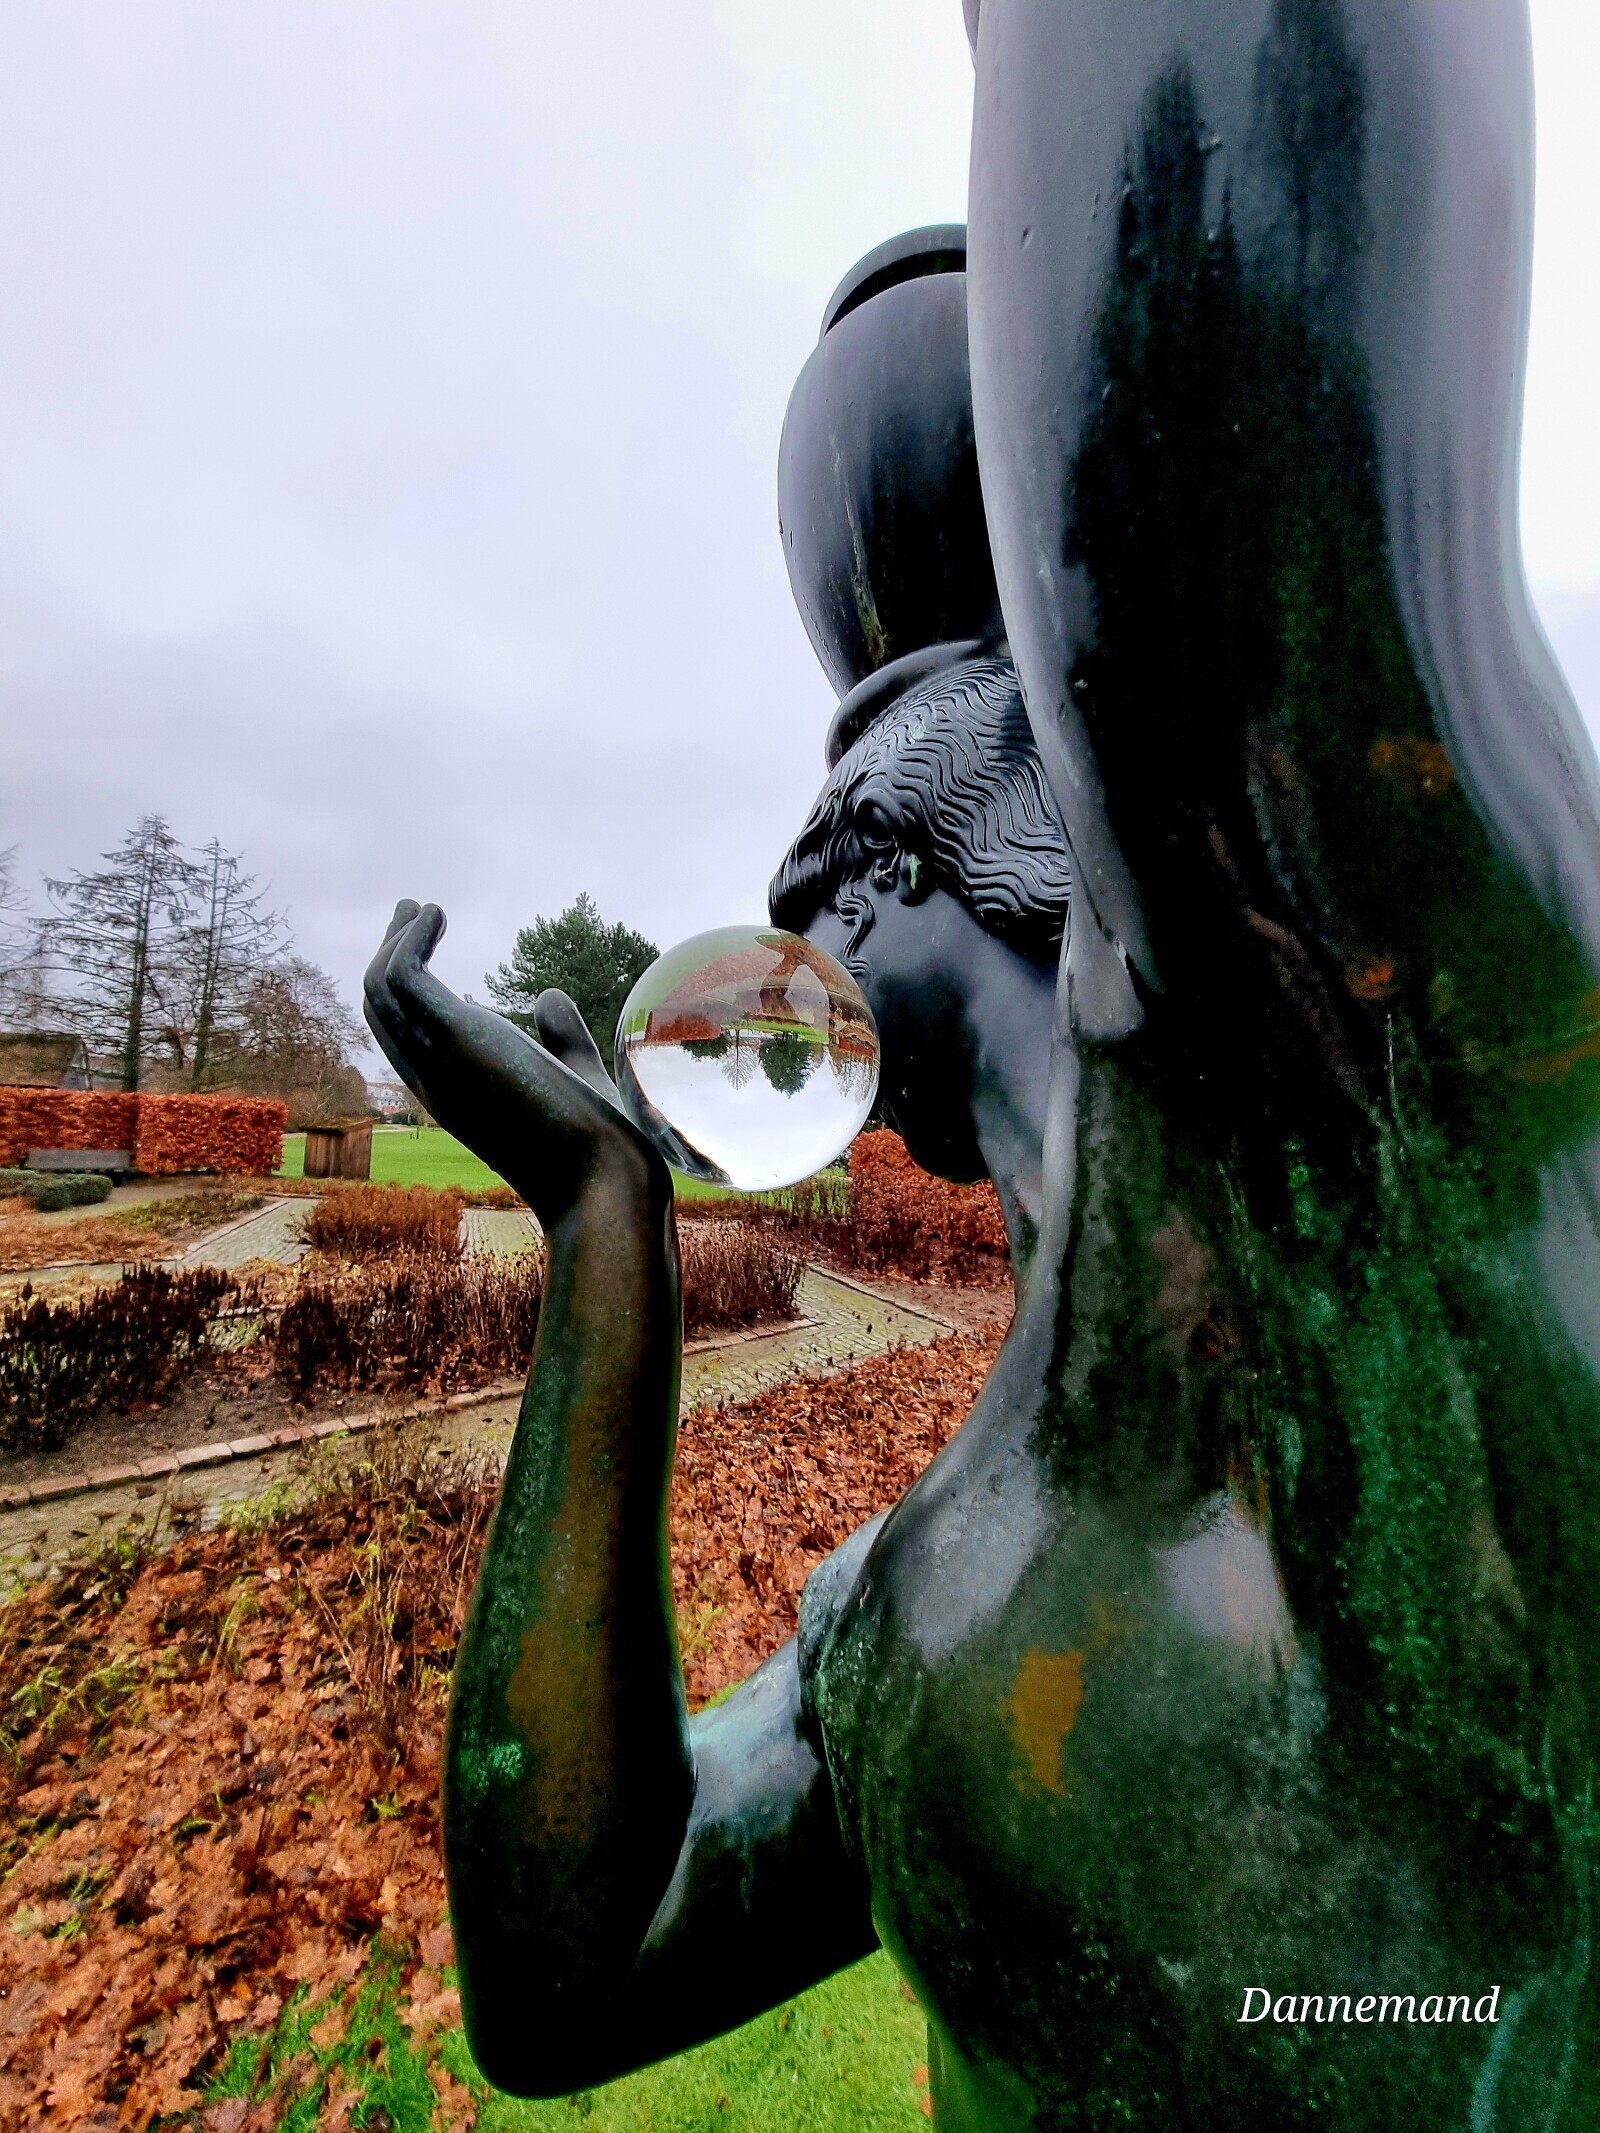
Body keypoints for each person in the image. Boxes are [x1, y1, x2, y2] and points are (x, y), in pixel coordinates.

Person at [368, 3, 1600, 2121]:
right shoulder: (919, 1593)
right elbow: (567, 1968)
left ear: (930, 862)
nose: (789, 954)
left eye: (821, 880)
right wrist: (602, 1239)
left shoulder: (1384, 1105)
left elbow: (1232, 438)